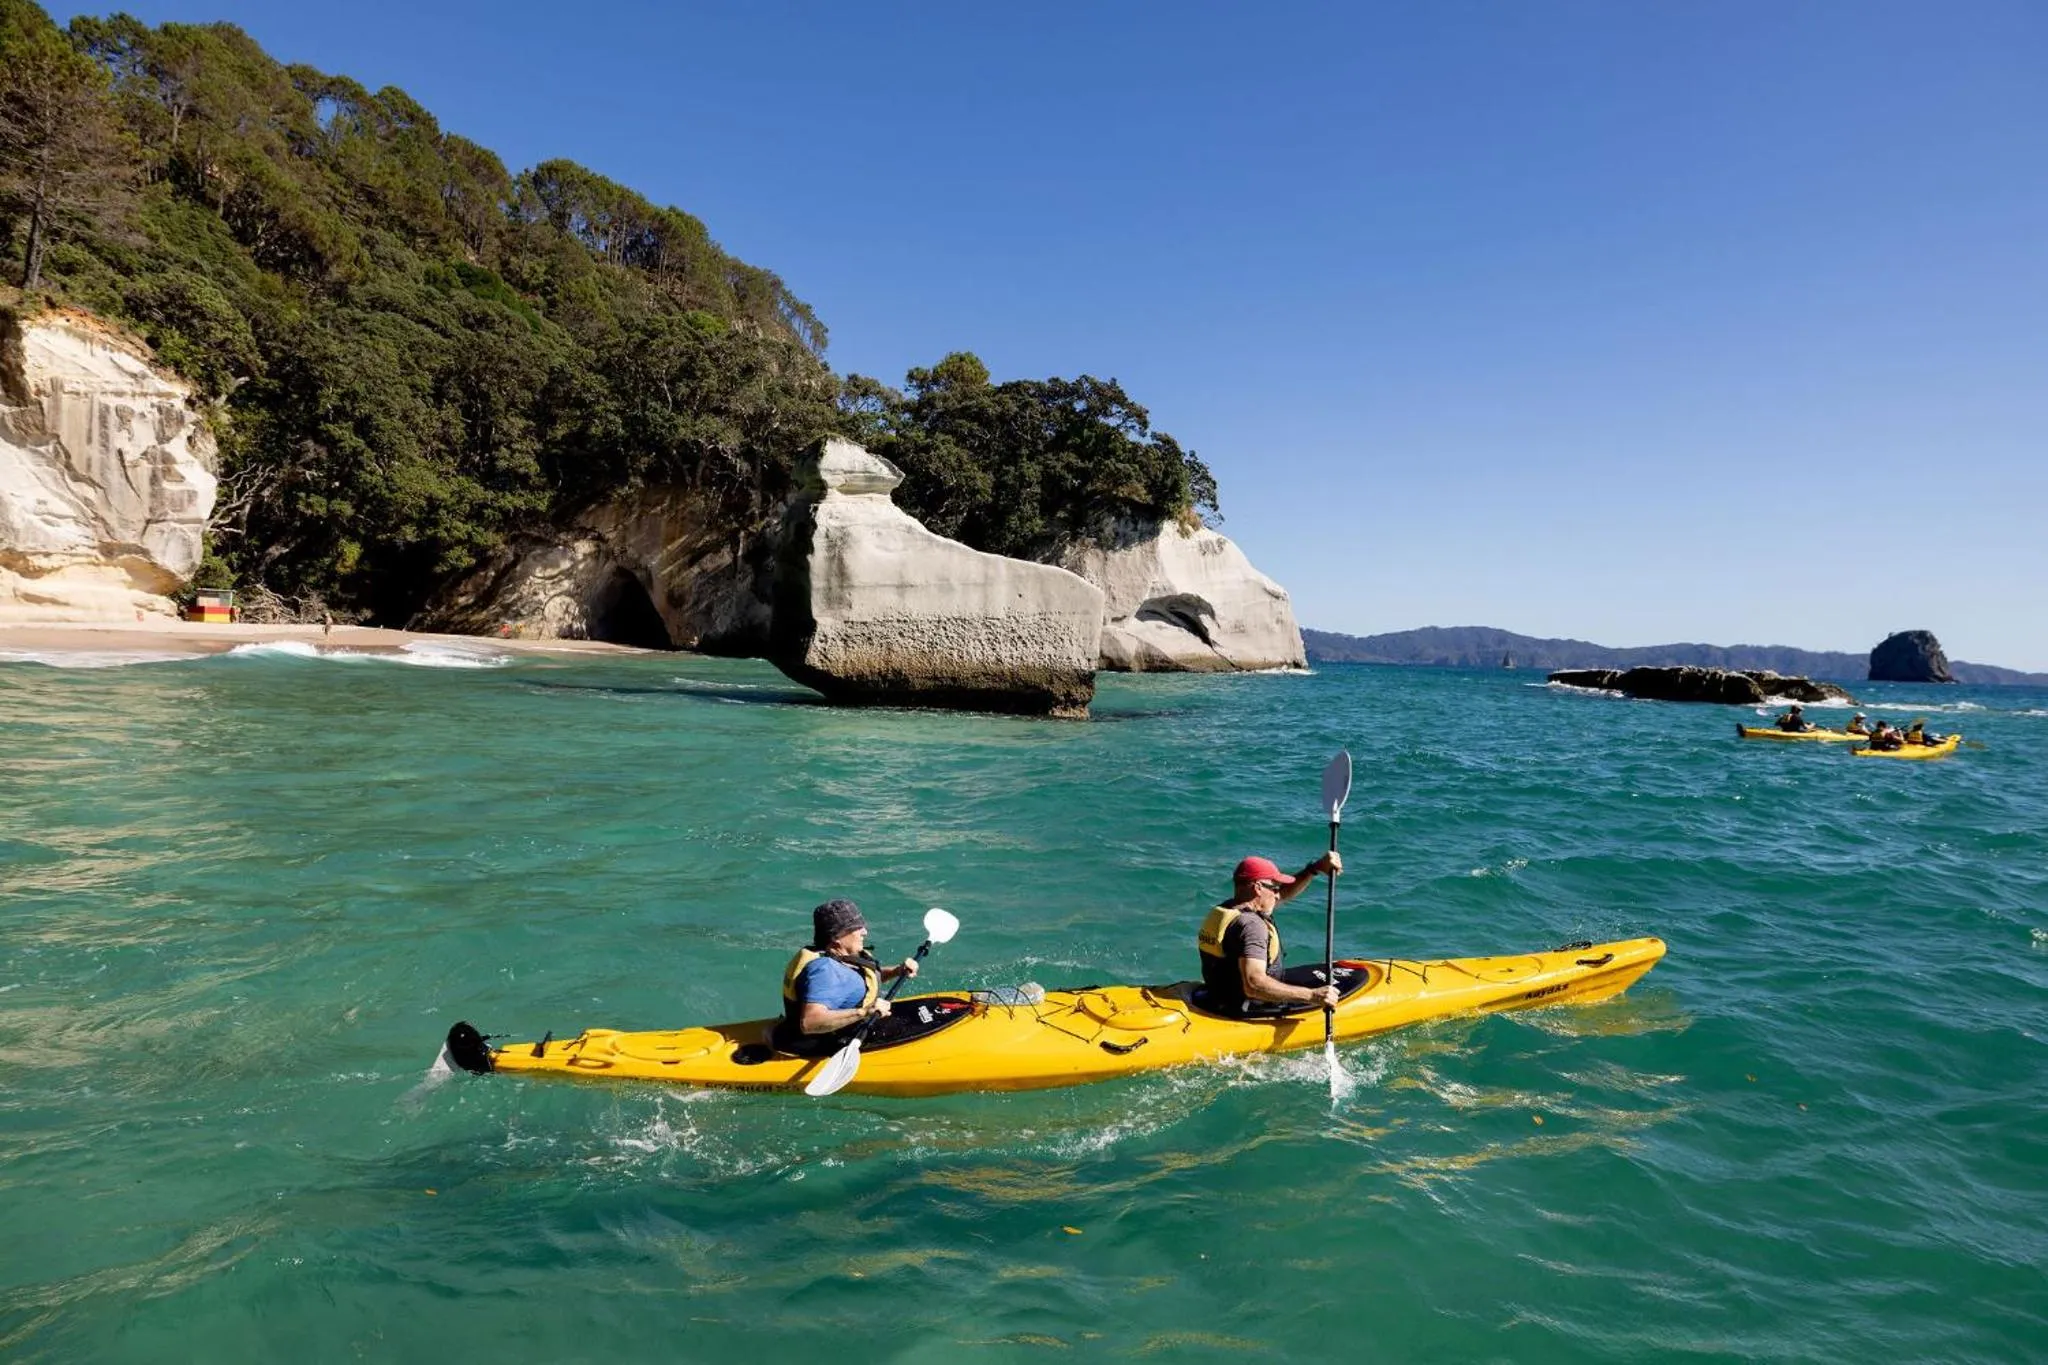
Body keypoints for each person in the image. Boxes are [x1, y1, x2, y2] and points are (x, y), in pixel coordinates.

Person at [1196, 852, 1345, 1016]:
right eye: (1275, 888)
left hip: (1218, 999)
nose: (1277, 894)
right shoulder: (1252, 926)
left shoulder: (1226, 911)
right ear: (1258, 888)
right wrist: (1312, 995)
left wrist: (1314, 869)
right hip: (1248, 1008)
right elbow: (1253, 985)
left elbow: (1282, 894)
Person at [771, 899, 920, 1057]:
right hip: (824, 1043)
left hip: (852, 1025)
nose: (864, 932)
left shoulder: (840, 957)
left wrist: (897, 971)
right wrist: (864, 1012)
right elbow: (809, 1022)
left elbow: (859, 983)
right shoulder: (825, 971)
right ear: (836, 937)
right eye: (856, 928)